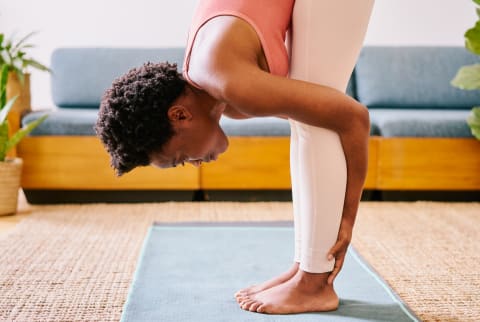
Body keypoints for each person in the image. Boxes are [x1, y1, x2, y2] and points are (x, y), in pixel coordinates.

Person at [96, 0, 374, 315]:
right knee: (310, 119)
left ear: (180, 115)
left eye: (182, 157)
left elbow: (353, 118)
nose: (195, 163)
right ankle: (305, 270)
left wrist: (348, 219)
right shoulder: (214, 81)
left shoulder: (233, 85)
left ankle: (315, 284)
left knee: (318, 123)